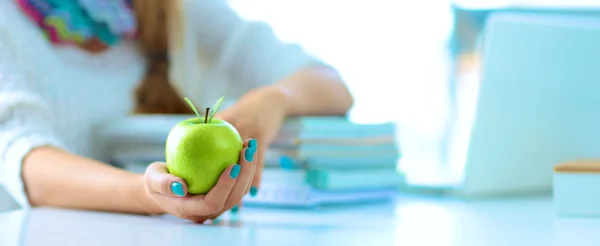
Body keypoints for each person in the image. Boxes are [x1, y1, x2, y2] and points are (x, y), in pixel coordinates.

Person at [0, 0, 353, 223]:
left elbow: (331, 85)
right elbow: (24, 158)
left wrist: (274, 99)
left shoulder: (175, 8)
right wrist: (148, 194)